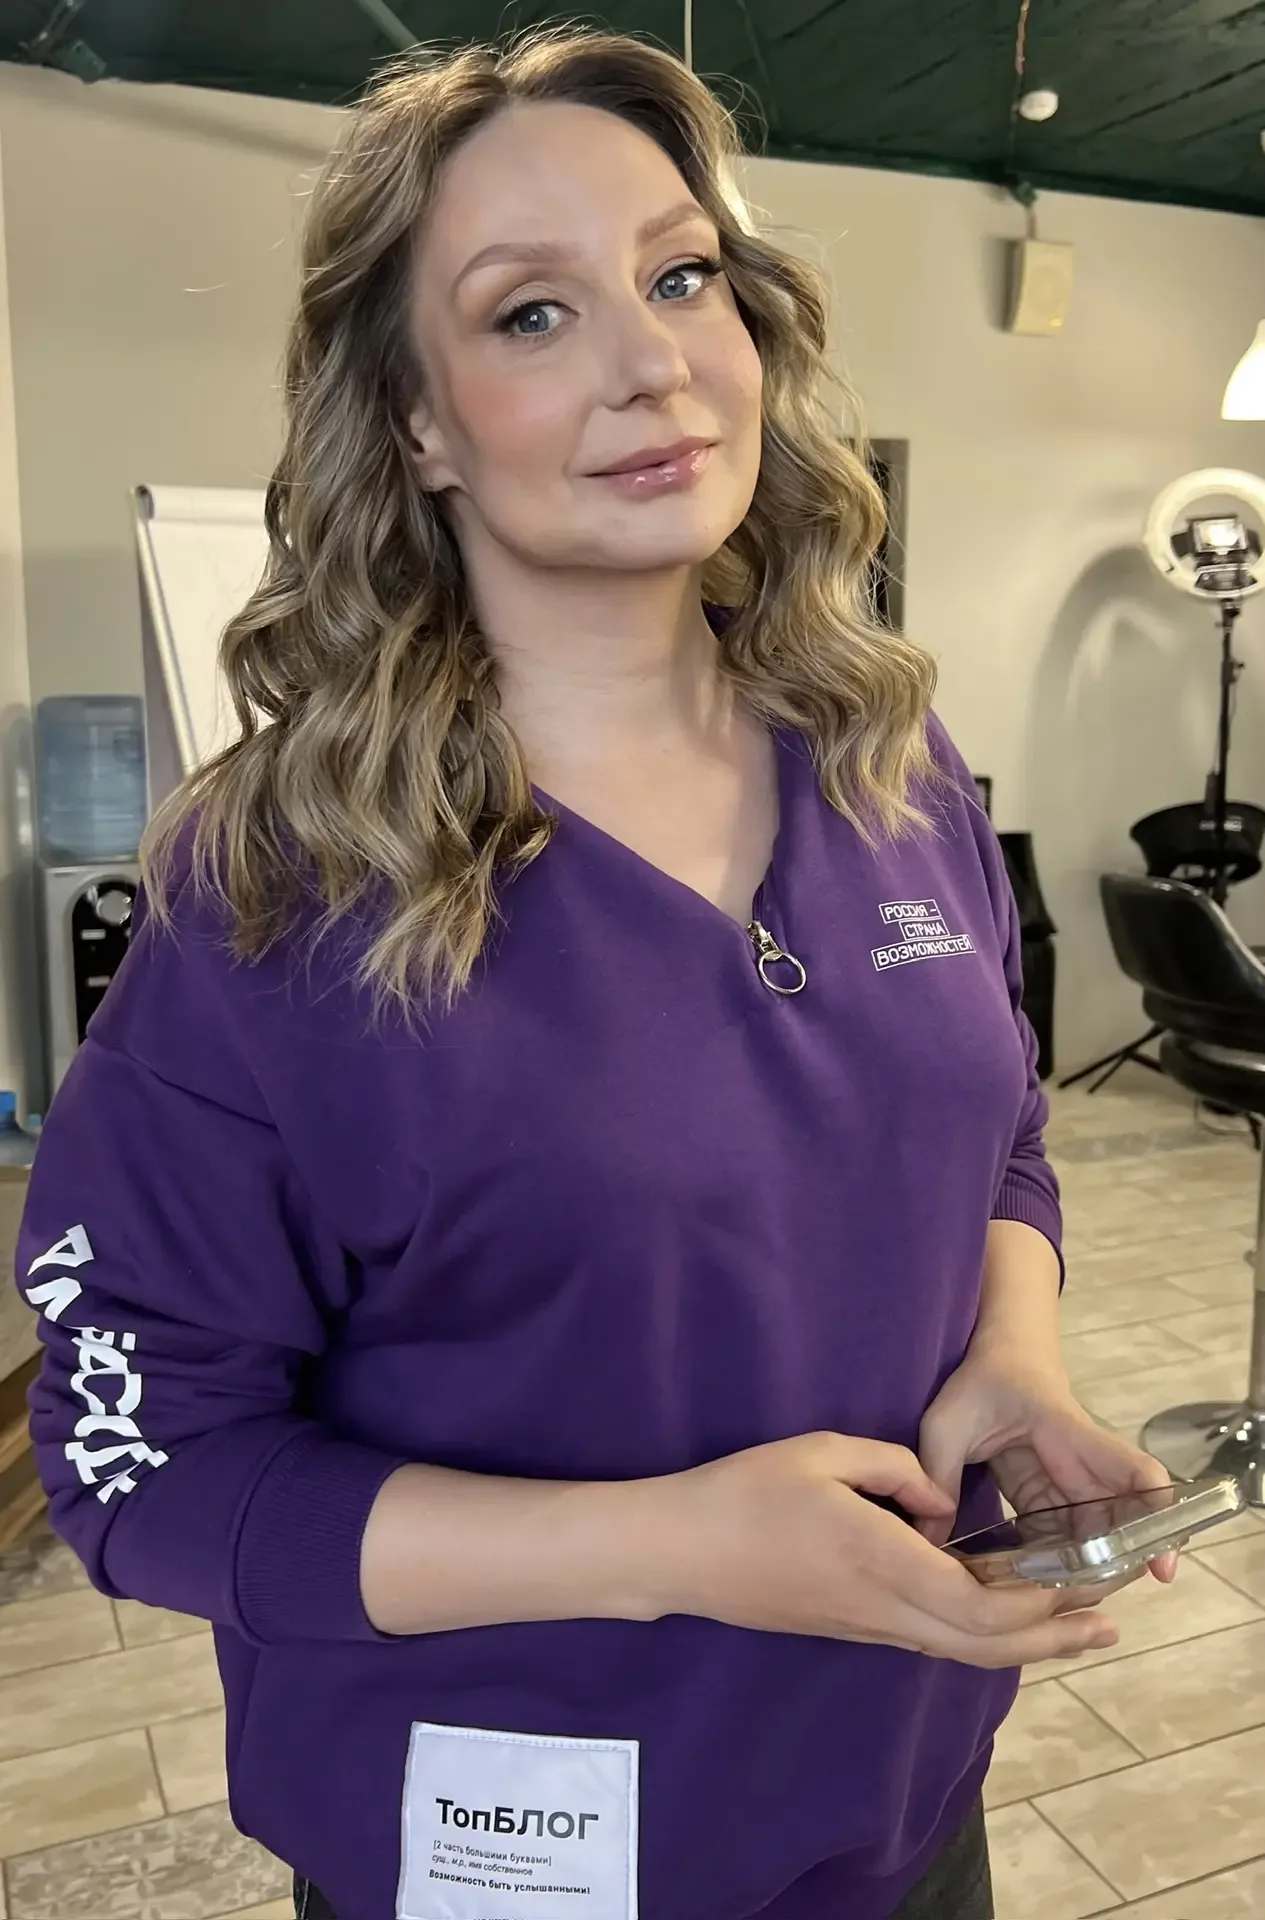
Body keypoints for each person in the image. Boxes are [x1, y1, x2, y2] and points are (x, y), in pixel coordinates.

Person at [15, 29, 1174, 1920]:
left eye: (681, 275)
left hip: (901, 1794)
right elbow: (138, 1466)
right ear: (414, 423)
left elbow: (1001, 1141)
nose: (653, 364)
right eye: (532, 314)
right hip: (516, 1854)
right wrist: (674, 1546)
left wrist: (1013, 1358)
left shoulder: (892, 766)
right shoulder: (280, 888)